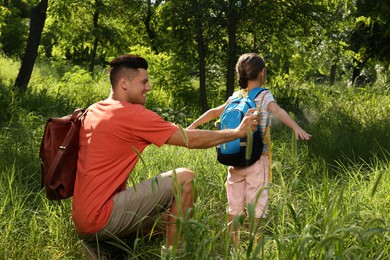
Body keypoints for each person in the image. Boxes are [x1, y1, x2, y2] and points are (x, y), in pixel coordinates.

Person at [71, 54, 260, 258]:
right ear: (124, 83)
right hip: (101, 217)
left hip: (83, 219)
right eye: (143, 82)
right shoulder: (132, 114)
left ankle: (101, 249)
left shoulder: (94, 109)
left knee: (171, 220)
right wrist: (237, 133)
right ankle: (173, 255)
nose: (149, 87)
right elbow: (190, 140)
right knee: (186, 179)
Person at [187, 53, 311, 247]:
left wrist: (191, 128)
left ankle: (233, 246)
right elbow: (277, 111)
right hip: (258, 160)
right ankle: (255, 244)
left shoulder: (236, 96)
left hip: (234, 159)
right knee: (257, 205)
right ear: (262, 72)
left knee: (234, 203)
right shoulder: (263, 95)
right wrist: (296, 127)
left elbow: (213, 112)